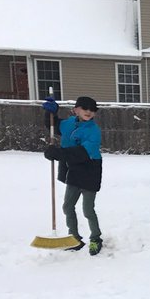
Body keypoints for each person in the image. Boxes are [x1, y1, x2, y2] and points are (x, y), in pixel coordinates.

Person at [45, 96, 104, 255]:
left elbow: (82, 153)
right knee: (67, 206)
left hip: (90, 170)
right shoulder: (69, 123)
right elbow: (55, 126)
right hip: (74, 170)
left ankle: (95, 238)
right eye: (85, 109)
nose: (89, 112)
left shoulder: (93, 131)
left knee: (87, 209)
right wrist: (51, 112)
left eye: (92, 110)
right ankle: (75, 238)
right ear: (76, 109)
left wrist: (58, 153)